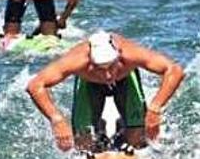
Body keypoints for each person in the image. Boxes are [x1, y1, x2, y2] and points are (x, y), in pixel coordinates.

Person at [26, 31, 185, 151]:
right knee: (83, 145)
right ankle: (99, 130)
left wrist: (155, 108)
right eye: (99, 69)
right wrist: (57, 120)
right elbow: (35, 85)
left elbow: (174, 70)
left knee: (138, 142)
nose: (108, 75)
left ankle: (123, 129)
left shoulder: (131, 54)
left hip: (125, 81)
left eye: (111, 67)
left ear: (119, 57)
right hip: (89, 85)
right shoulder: (77, 61)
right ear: (90, 61)